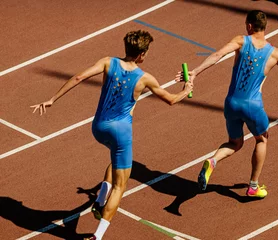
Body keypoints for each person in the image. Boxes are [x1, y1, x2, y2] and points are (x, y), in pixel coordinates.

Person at [31, 30, 193, 240]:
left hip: (98, 127)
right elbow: (170, 99)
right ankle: (97, 236)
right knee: (120, 186)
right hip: (121, 132)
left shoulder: (108, 62)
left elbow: (79, 76)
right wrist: (186, 88)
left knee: (115, 158)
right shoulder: (145, 78)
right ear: (142, 54)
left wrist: (52, 99)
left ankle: (99, 201)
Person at [176, 10, 278, 198]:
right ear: (264, 27)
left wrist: (195, 72)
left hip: (231, 103)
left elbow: (217, 55)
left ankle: (213, 161)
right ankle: (253, 186)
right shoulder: (275, 53)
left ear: (250, 26)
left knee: (234, 142)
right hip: (253, 106)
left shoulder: (240, 41)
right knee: (261, 139)